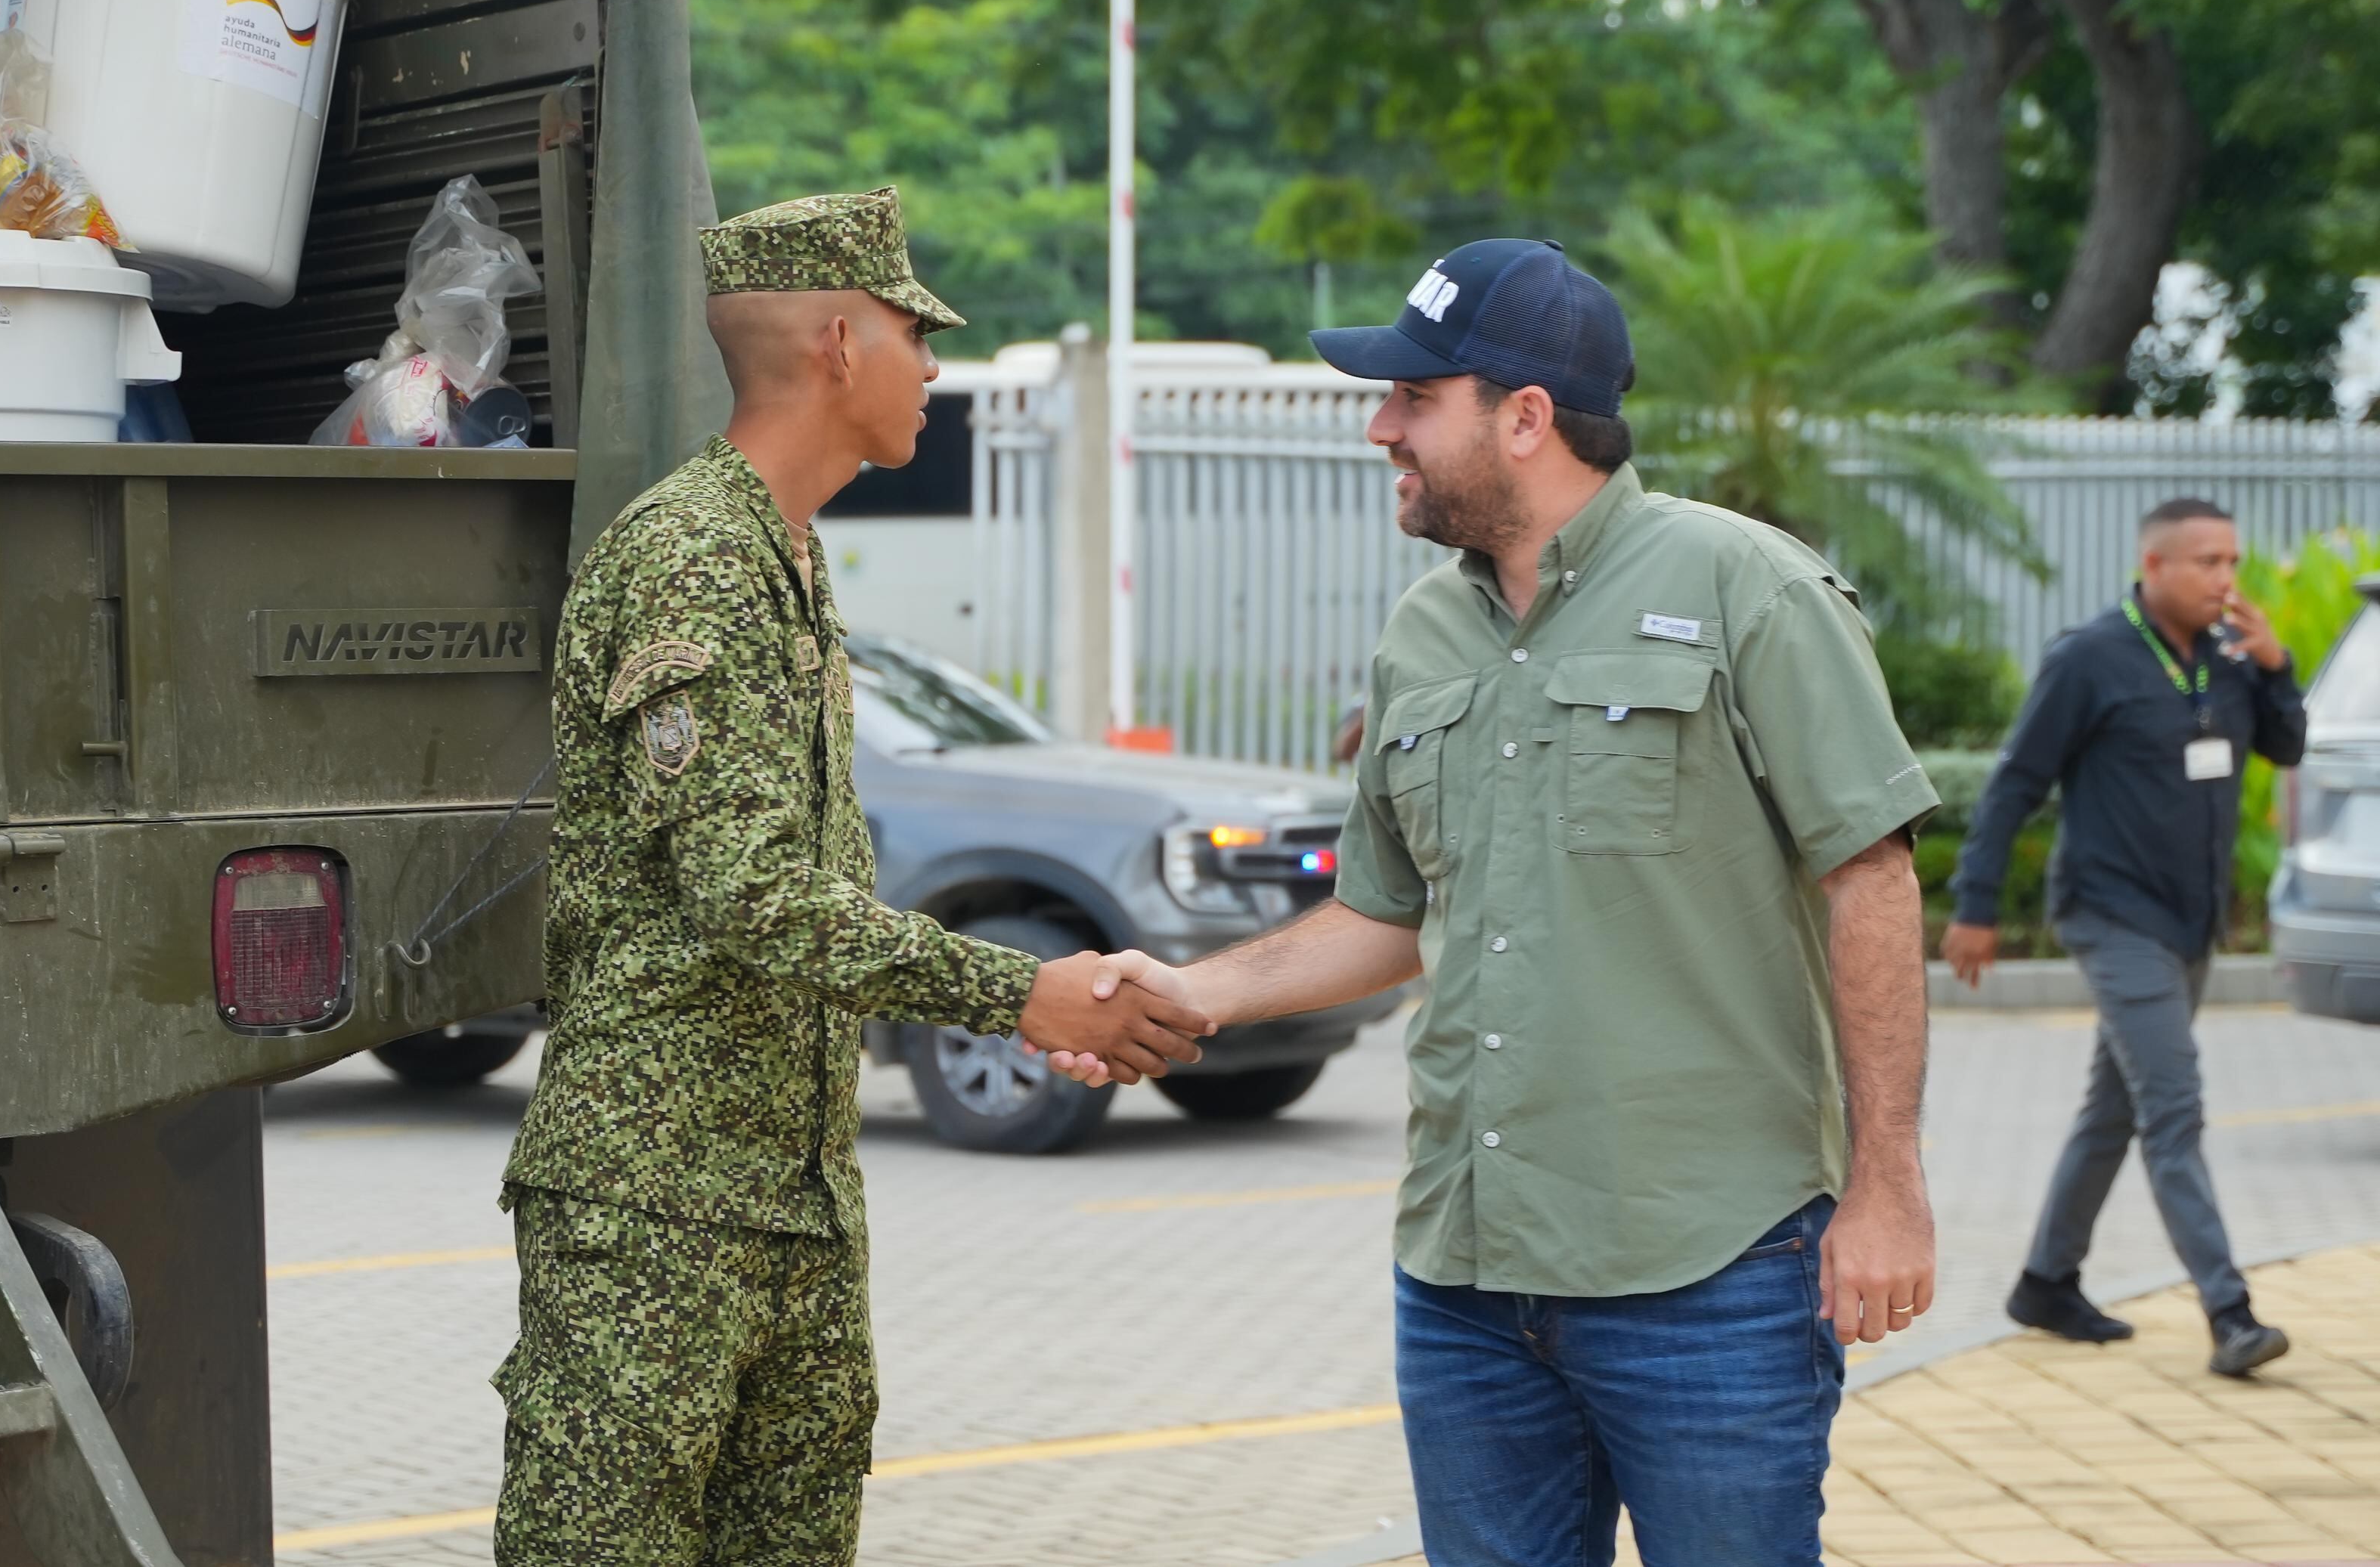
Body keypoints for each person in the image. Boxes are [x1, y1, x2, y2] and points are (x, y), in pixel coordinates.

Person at [1064, 237, 1941, 1567]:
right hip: (1466, 1282)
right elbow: (1390, 909)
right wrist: (1199, 993)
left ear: (1525, 417)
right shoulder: (1423, 633)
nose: (1380, 427)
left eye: (1415, 398)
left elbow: (1870, 877)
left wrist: (1888, 1187)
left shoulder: (1745, 587)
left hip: (1708, 1270)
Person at [490, 187, 1214, 1566]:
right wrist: (1023, 994)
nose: (933, 366)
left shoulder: (793, 555)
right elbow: (750, 891)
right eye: (911, 332)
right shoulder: (696, 555)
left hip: (797, 1195)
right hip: (660, 1201)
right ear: (836, 340)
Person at [1945, 497, 2307, 1377]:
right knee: (2172, 1108)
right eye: (2206, 562)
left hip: (2191, 921)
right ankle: (2230, 1312)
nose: (2226, 579)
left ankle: (2044, 1282)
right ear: (2153, 567)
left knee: (2112, 1108)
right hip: (2112, 916)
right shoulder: (2088, 657)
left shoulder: (2229, 659)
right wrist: (1975, 904)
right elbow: (2012, 784)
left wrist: (2274, 666)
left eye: (2232, 560)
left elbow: (2285, 748)